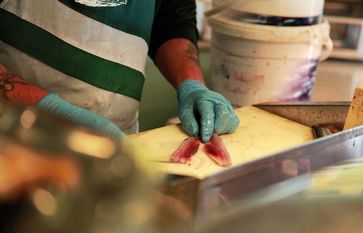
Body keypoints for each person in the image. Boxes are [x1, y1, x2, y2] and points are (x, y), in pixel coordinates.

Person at [0, 0, 240, 142]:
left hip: (117, 143)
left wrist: (192, 86)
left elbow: (171, 20)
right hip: (14, 140)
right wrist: (48, 108)